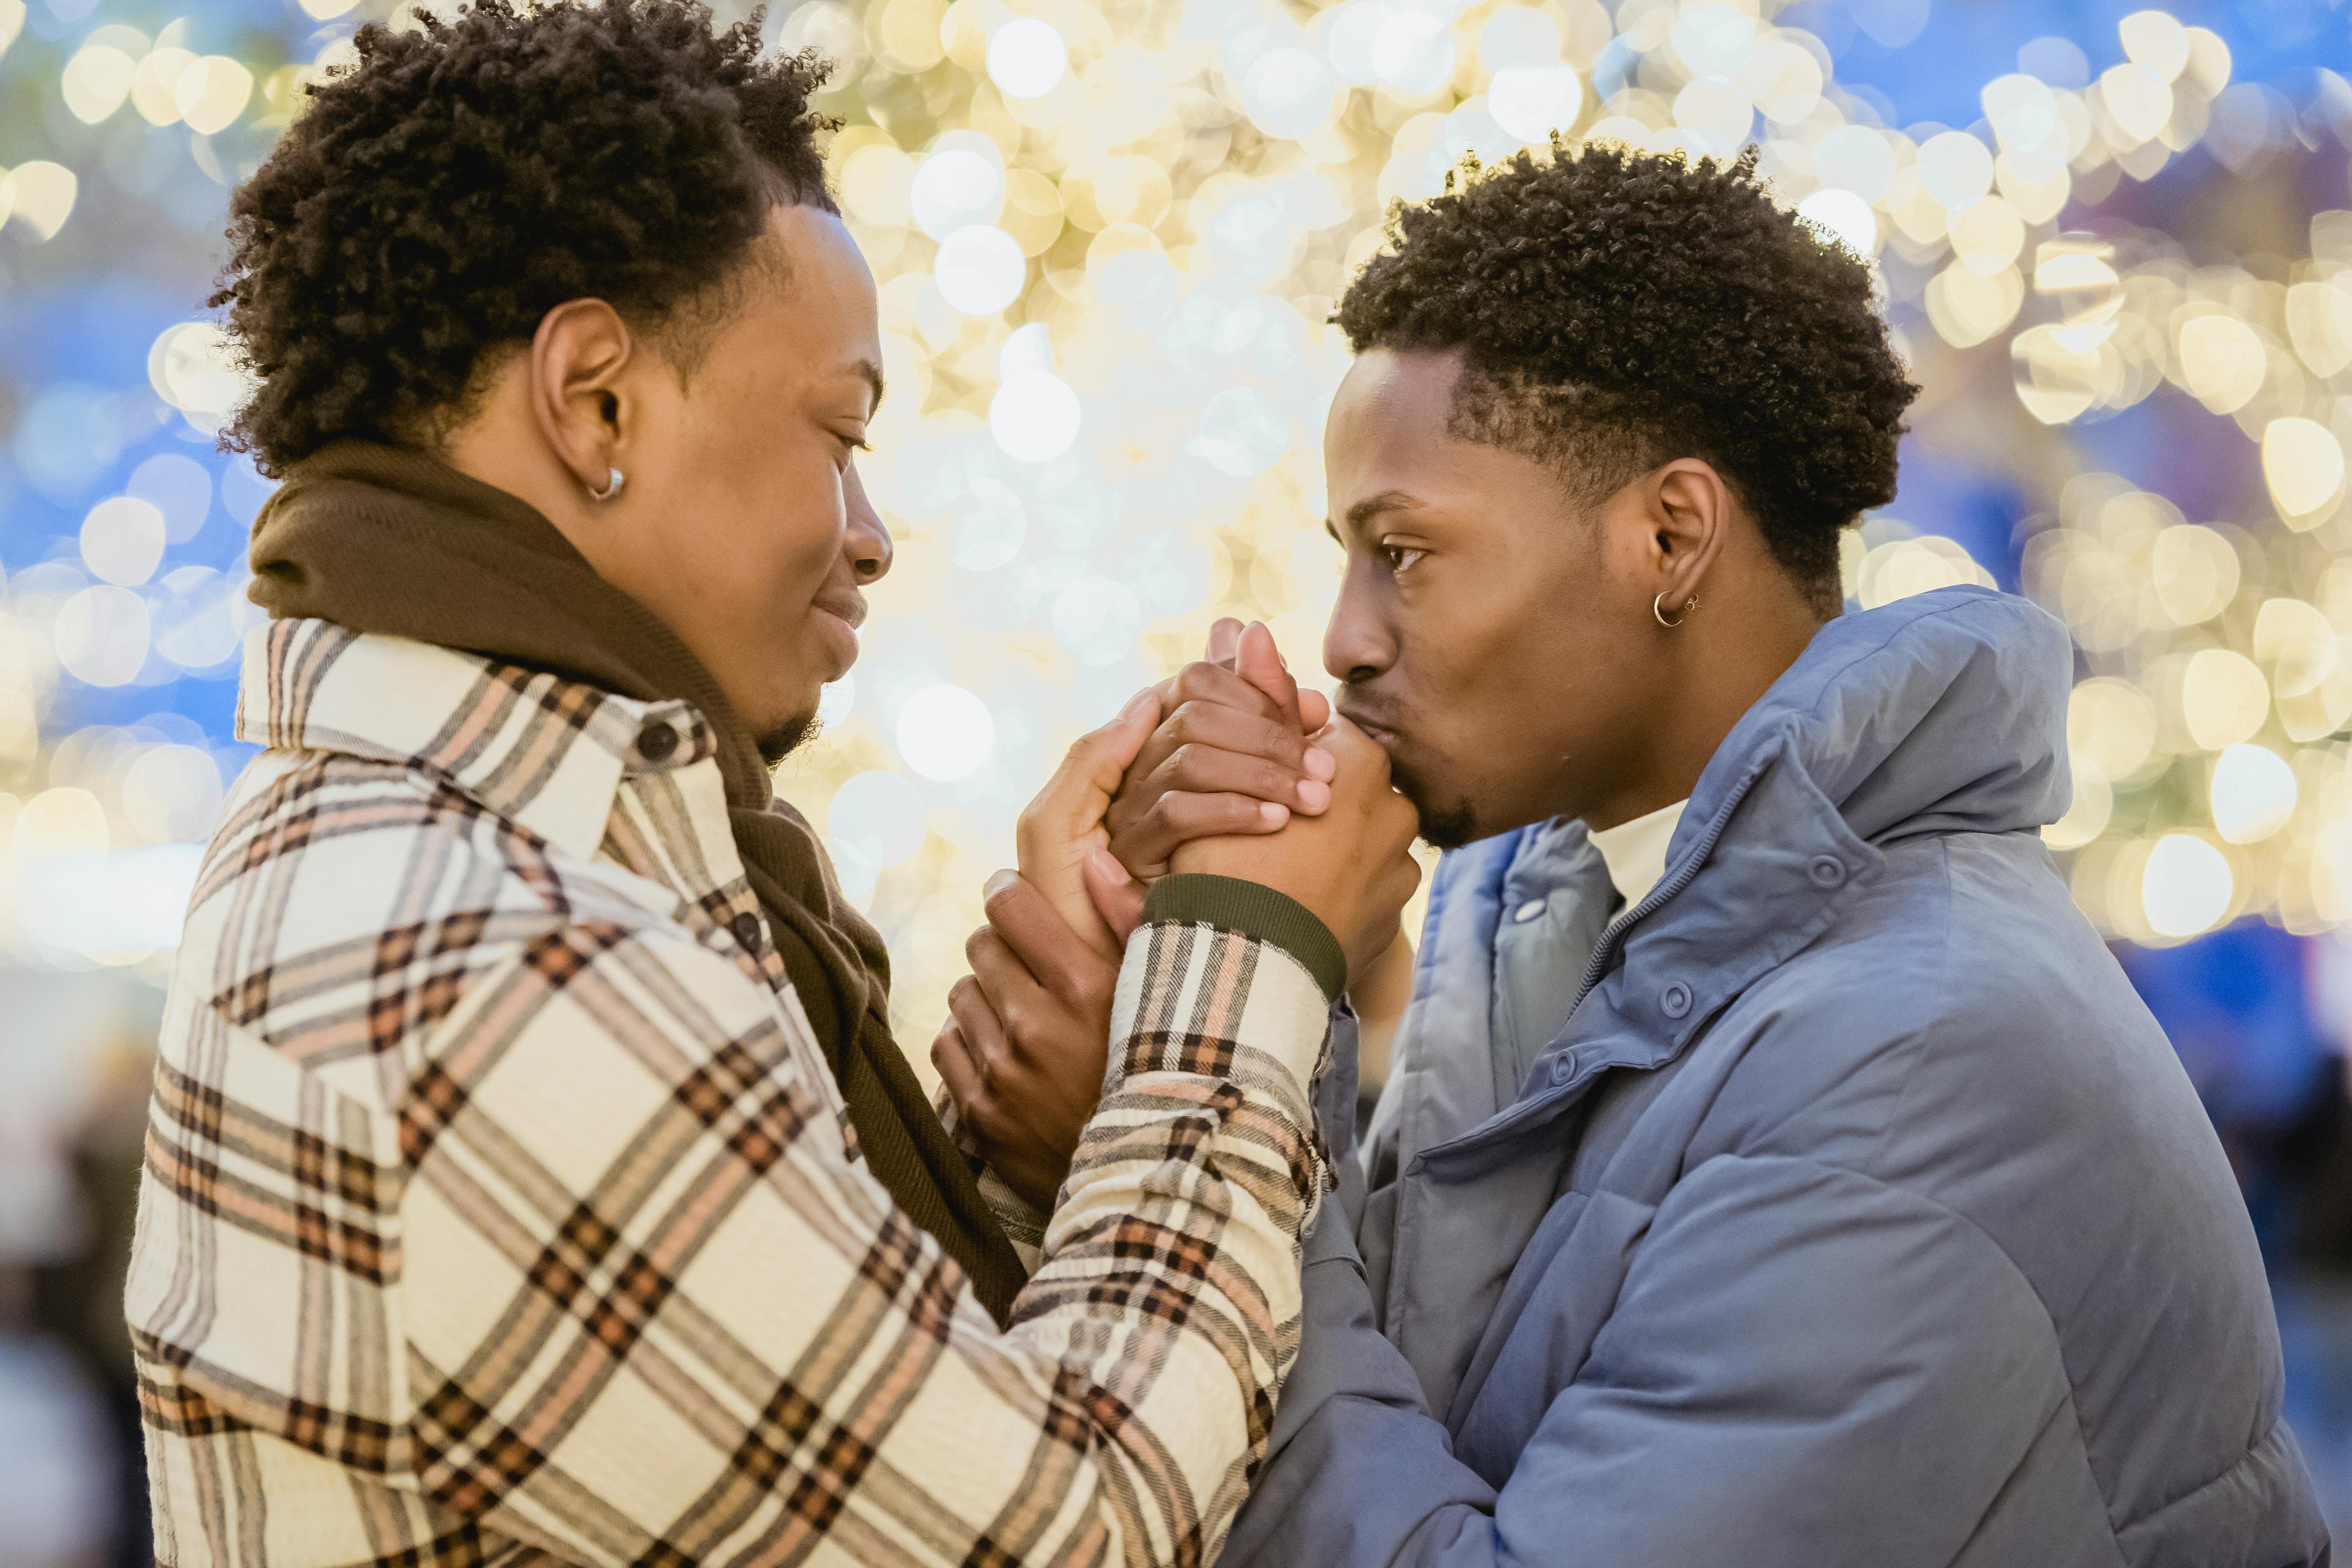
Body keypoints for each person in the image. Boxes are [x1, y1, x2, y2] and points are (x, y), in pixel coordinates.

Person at [122, 4, 1422, 1564]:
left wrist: (1032, 1150)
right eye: (839, 433)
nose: (868, 530)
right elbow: (1068, 1529)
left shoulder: (480, 855)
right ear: (595, 400)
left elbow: (813, 1463)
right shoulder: (490, 958)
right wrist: (1241, 956)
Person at [941, 144, 2333, 1564]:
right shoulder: (1539, 923)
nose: (1345, 636)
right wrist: (1206, 1001)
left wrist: (1170, 1145)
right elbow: (1434, 1416)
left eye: (1402, 552)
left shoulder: (1921, 1062)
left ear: (1668, 536)